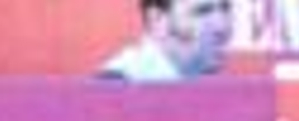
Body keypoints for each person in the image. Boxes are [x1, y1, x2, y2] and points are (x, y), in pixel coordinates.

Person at [99, 0, 234, 81]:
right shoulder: (115, 88)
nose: (222, 26)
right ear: (157, 19)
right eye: (202, 12)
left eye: (225, 9)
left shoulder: (205, 84)